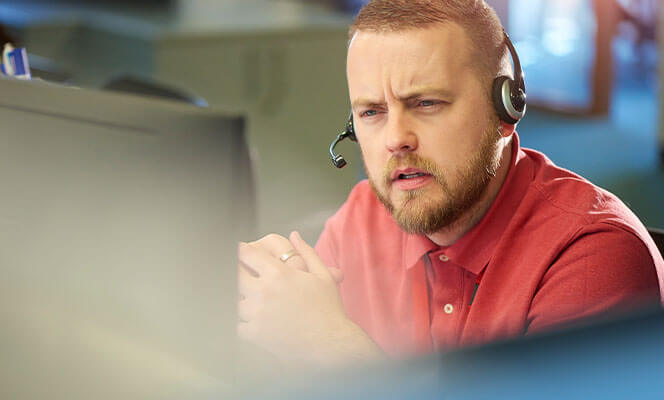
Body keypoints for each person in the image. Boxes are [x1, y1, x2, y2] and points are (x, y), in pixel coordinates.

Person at [237, 0, 663, 366]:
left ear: (504, 111)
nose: (395, 139)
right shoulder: (363, 218)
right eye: (371, 112)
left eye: (426, 103)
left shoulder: (593, 259)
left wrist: (331, 348)